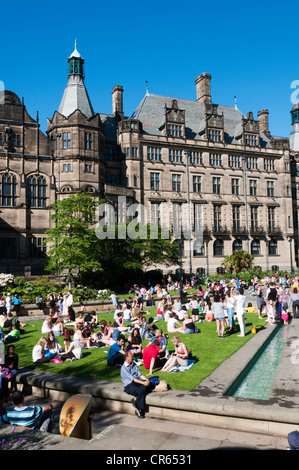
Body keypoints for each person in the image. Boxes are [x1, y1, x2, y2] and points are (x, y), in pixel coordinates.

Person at [120, 350, 155, 419]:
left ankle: (136, 400)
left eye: (133, 356)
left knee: (149, 385)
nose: (133, 358)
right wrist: (143, 383)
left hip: (136, 382)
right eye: (131, 357)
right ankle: (139, 409)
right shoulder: (124, 368)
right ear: (127, 358)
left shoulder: (133, 364)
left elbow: (140, 374)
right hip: (129, 385)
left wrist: (146, 380)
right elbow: (133, 379)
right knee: (140, 392)